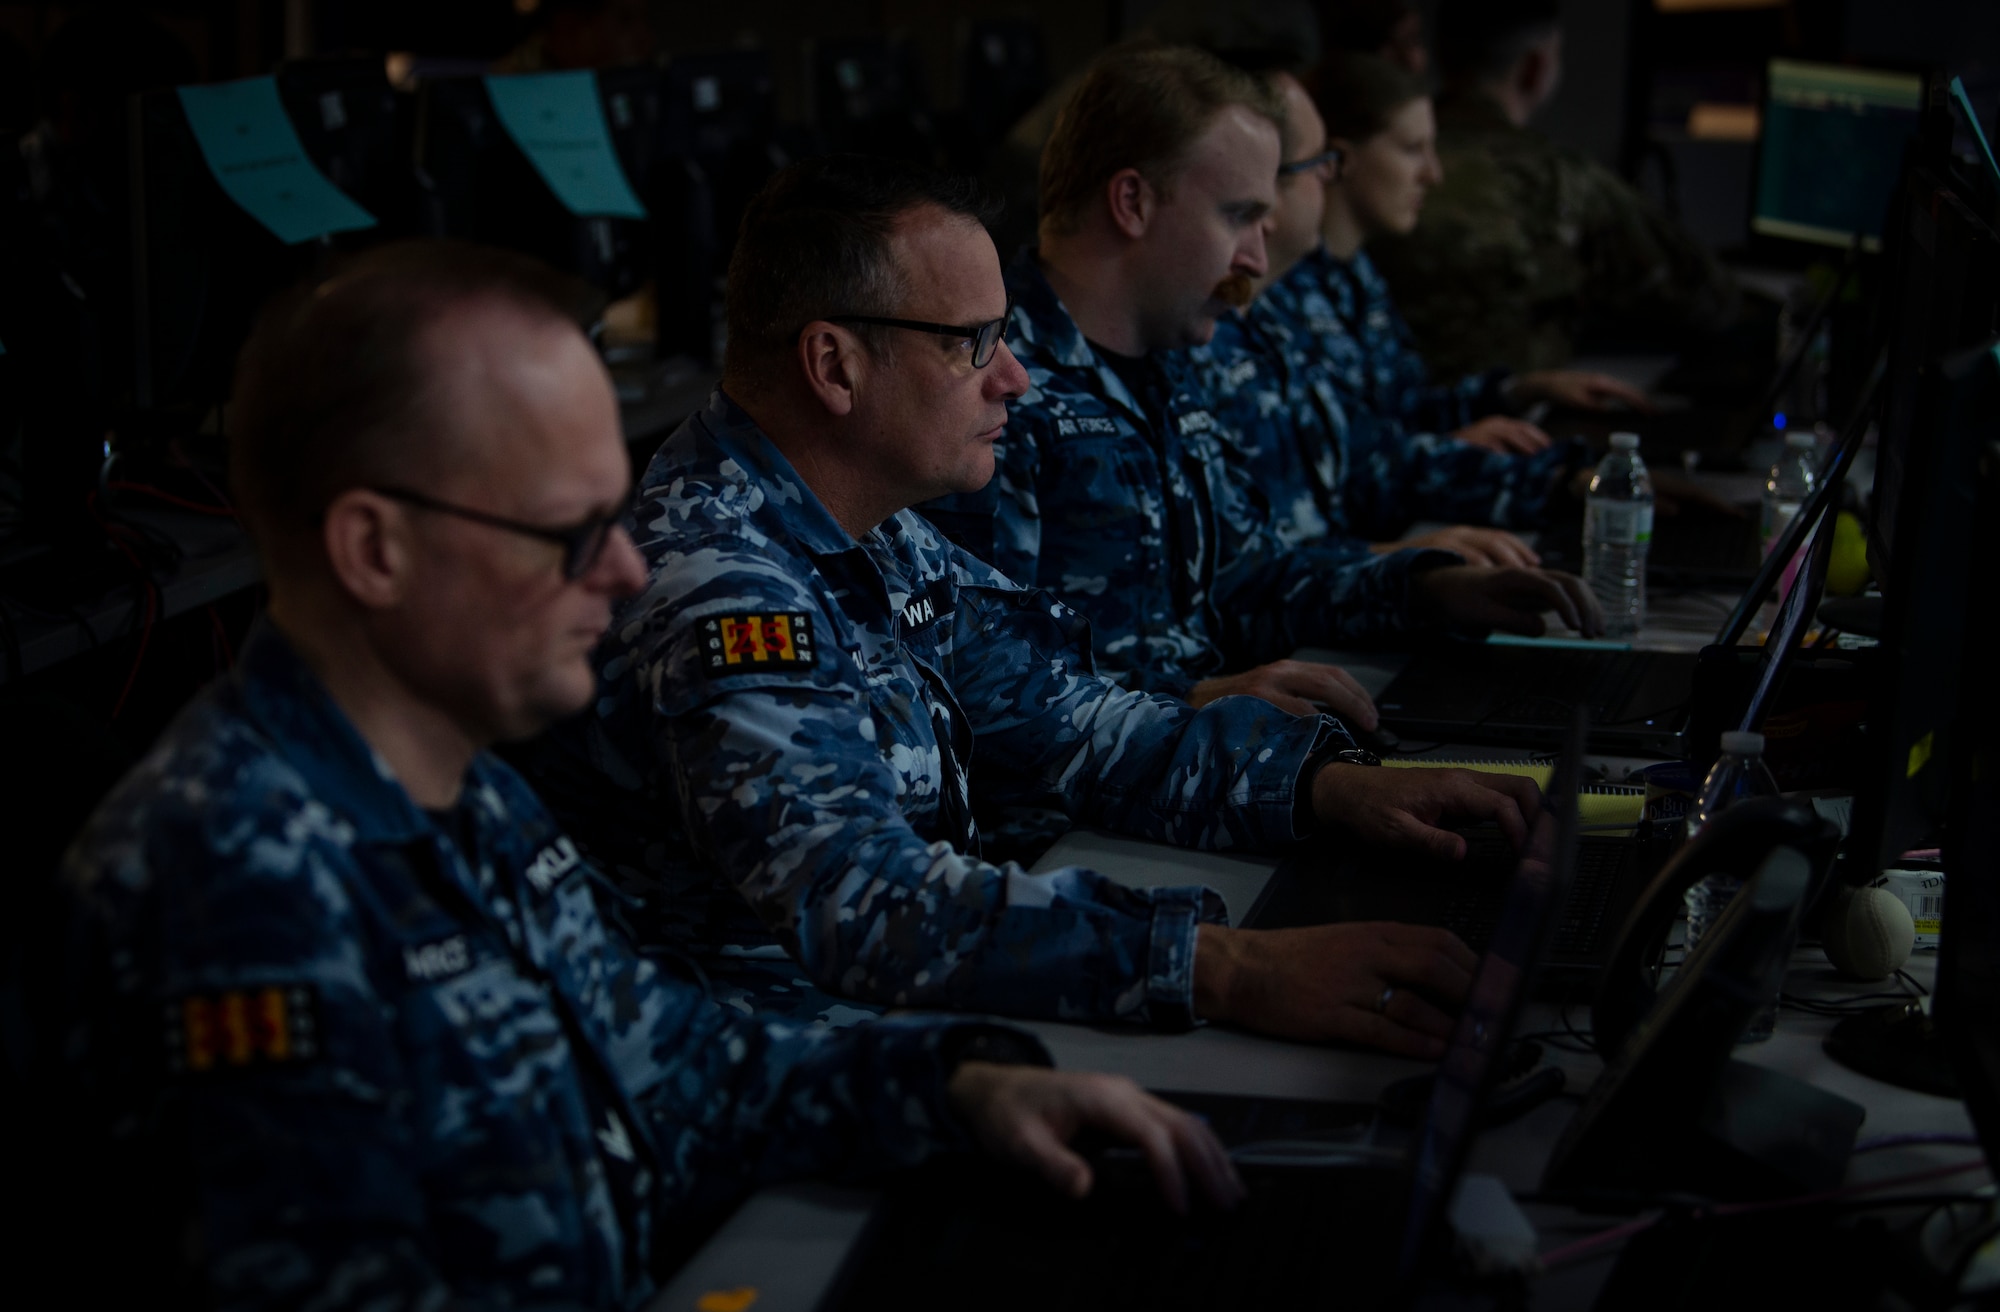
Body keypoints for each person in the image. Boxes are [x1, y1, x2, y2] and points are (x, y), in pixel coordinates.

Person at [54, 241, 1247, 1312]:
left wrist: (961, 1092)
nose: (626, 568)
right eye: (567, 531)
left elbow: (683, 1072)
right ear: (375, 547)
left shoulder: (463, 791)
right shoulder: (231, 878)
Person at [520, 153, 1540, 1058]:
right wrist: (1230, 968)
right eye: (970, 343)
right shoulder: (717, 585)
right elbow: (865, 906)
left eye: (1004, 334)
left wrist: (1329, 787)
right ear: (833, 364)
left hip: (923, 1038)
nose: (1013, 377)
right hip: (809, 1102)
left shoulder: (867, 521)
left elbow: (1068, 719)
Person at [925, 44, 1602, 718]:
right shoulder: (995, 387)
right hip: (1078, 813)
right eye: (1239, 216)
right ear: (1131, 202)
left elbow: (1244, 581)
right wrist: (1190, 701)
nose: (1255, 255)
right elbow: (975, 681)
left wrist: (1428, 590)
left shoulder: (1166, 361)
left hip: (1197, 770)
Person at [1192, 53, 1643, 569]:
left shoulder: (1281, 308)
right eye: (1411, 149)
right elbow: (1242, 573)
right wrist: (1398, 566)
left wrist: (1564, 465)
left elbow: (1367, 458)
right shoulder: (1219, 323)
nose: (1433, 173)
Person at [1366, 0, 1739, 378]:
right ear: (1535, 68)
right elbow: (1708, 298)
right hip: (1516, 419)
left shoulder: (1375, 166)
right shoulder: (1561, 180)